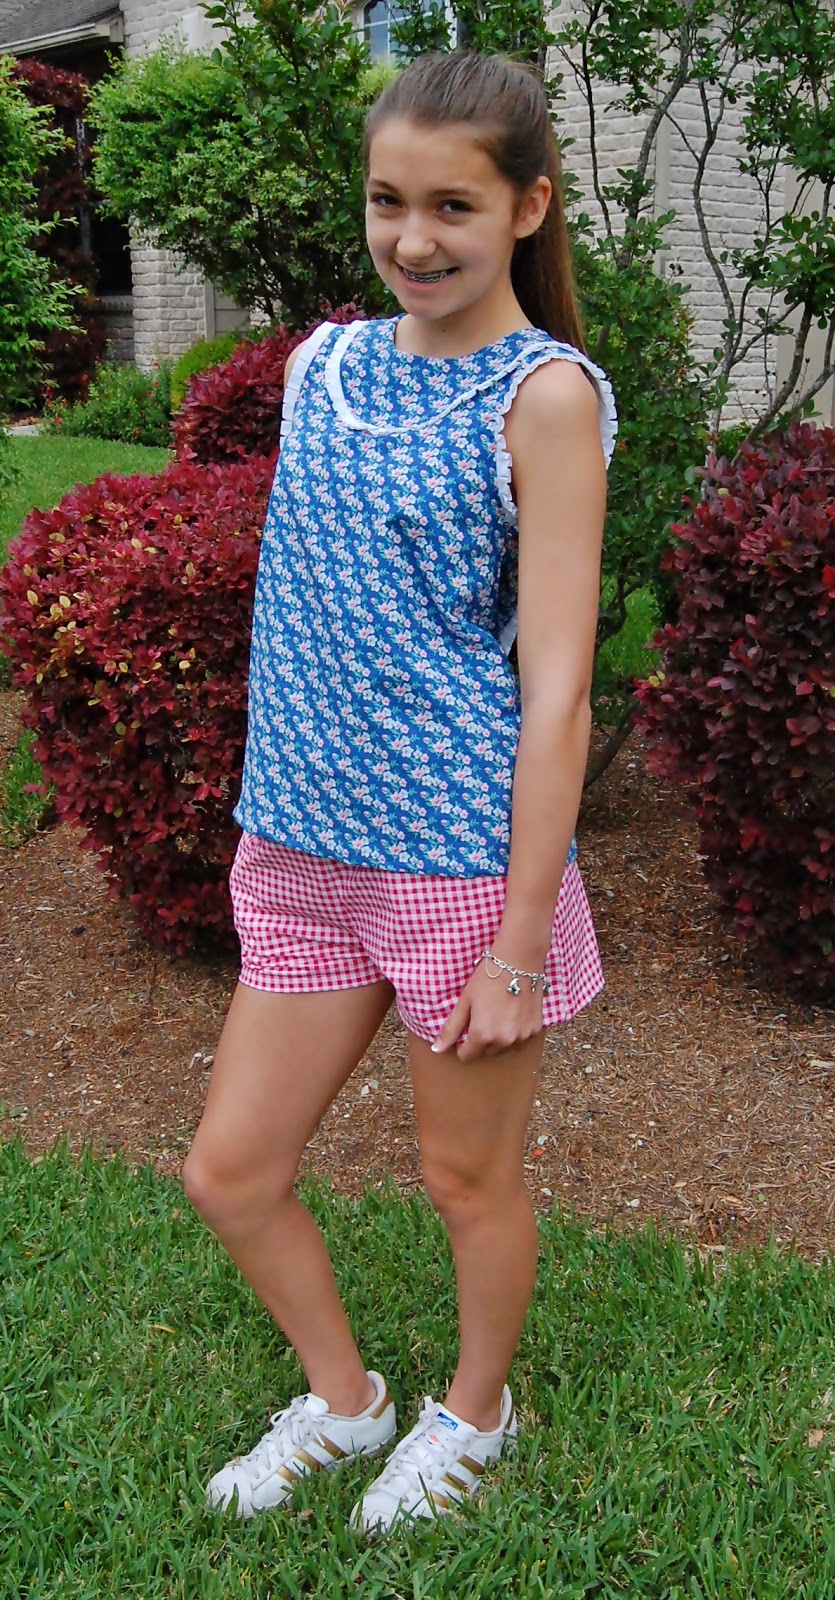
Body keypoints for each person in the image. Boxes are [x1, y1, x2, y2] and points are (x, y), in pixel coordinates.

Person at [182, 47, 617, 1536]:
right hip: (301, 843)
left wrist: (519, 938)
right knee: (231, 1171)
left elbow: (558, 688)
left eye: (453, 206)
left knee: (463, 1176)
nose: (413, 238)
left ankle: (477, 1415)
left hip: (454, 864)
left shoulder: (545, 397)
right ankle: (349, 1400)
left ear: (528, 208)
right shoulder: (323, 366)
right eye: (387, 201)